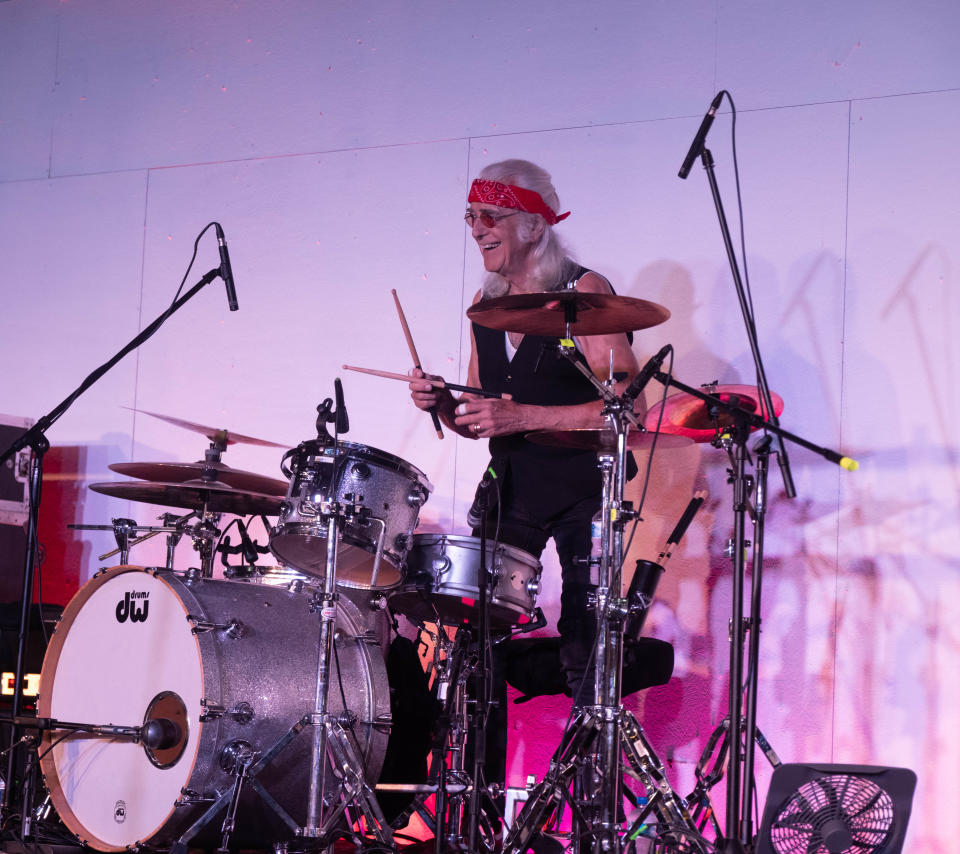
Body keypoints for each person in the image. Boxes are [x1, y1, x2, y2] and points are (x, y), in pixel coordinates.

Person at [407, 158, 641, 826]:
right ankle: (472, 812)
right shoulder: (486, 307)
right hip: (512, 485)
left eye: (491, 217)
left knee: (584, 642)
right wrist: (445, 405)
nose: (477, 230)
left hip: (581, 488)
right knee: (473, 644)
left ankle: (591, 814)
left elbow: (629, 407)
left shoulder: (584, 293)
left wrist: (526, 417)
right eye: (470, 218)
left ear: (533, 225)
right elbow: (484, 407)